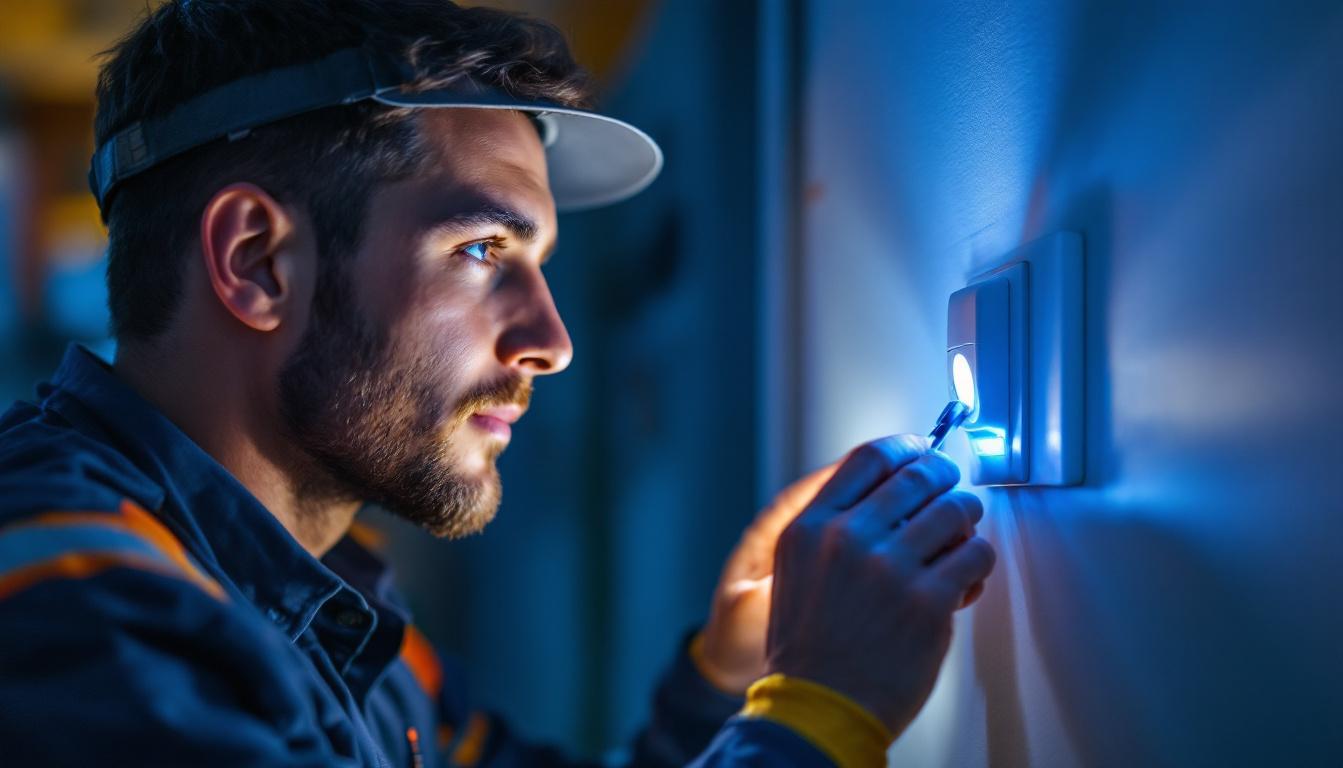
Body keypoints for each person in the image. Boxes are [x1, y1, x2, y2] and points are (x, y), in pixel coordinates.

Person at [0, 2, 995, 766]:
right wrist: (818, 715)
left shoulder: (321, 598)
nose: (552, 341)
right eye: (482, 249)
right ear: (259, 262)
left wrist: (734, 677)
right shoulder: (74, 600)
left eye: (539, 261)